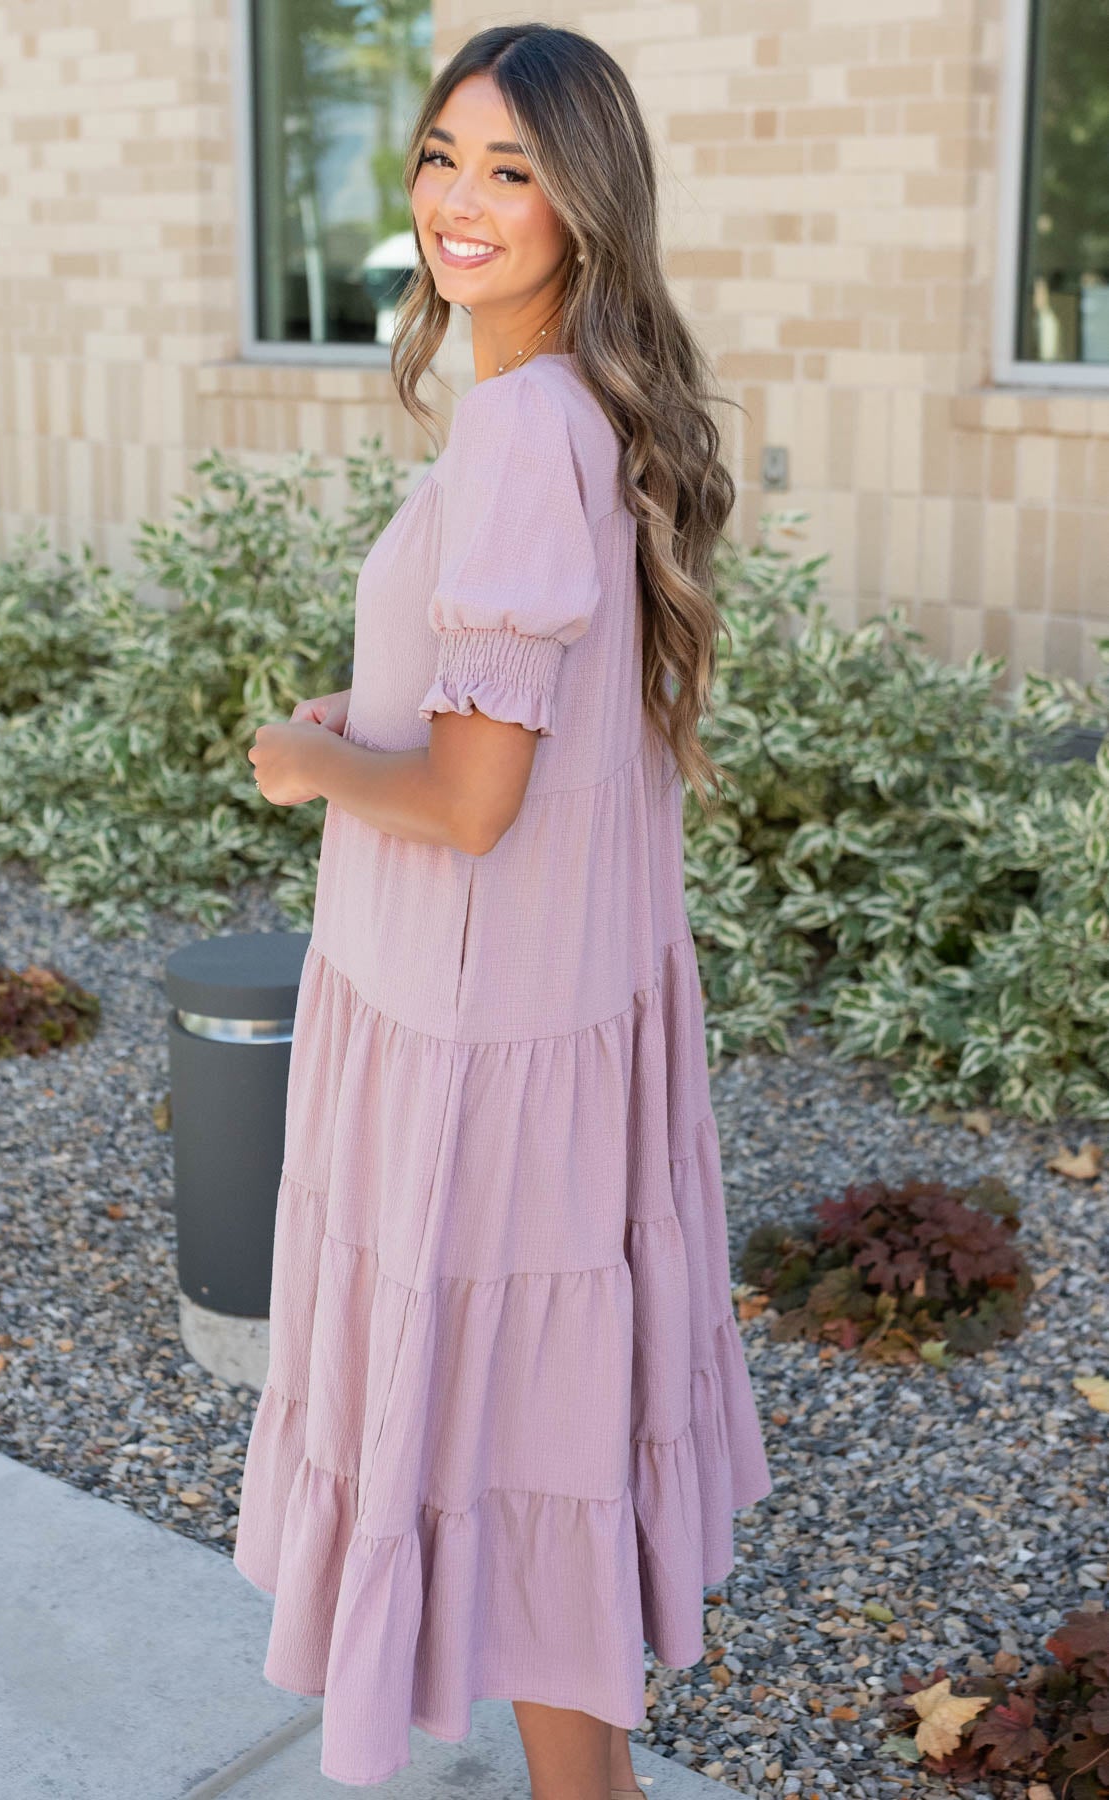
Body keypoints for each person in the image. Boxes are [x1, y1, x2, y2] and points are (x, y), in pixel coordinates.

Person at [236, 21, 772, 1796]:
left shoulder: (522, 435)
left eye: (511, 170)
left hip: (475, 1044)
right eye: (441, 156)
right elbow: (491, 734)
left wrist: (305, 769)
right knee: (547, 1461)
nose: (459, 200)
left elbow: (471, 803)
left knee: (519, 1457)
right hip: (530, 1015)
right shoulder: (573, 413)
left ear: (582, 207)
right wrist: (357, 726)